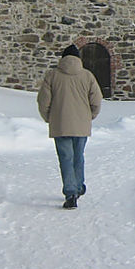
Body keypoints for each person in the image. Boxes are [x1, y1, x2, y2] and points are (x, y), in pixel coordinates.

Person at [37, 44, 102, 209]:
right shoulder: (88, 76)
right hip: (81, 124)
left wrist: (49, 118)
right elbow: (96, 100)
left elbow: (43, 101)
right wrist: (90, 116)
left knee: (66, 159)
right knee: (78, 156)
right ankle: (79, 187)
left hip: (60, 124)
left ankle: (70, 192)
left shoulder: (52, 76)